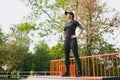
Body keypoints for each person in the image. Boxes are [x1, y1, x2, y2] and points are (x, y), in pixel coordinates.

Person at [62, 11, 84, 77]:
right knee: (66, 57)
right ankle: (67, 72)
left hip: (72, 40)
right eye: (67, 15)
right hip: (66, 41)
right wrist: (63, 37)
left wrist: (77, 35)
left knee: (76, 55)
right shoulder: (66, 24)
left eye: (68, 14)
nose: (67, 15)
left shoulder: (74, 22)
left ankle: (80, 72)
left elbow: (82, 28)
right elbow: (63, 32)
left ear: (71, 15)